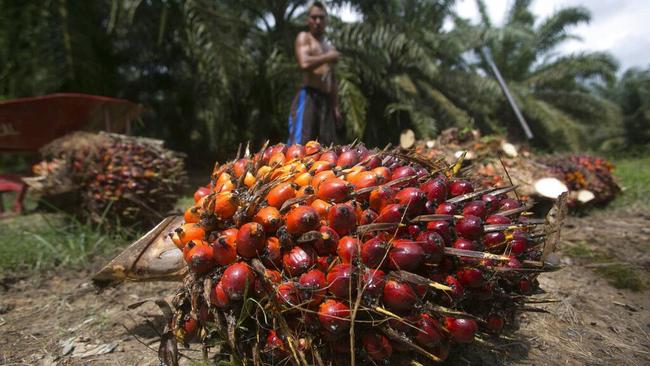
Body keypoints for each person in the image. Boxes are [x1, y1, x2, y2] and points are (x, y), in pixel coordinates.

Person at [287, 1, 343, 145]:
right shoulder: (304, 38)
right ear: (308, 20)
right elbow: (304, 63)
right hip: (308, 97)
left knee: (325, 146)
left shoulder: (328, 45)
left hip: (326, 100)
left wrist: (336, 106)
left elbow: (332, 78)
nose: (317, 21)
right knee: (300, 145)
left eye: (321, 18)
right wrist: (328, 57)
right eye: (314, 17)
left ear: (326, 20)